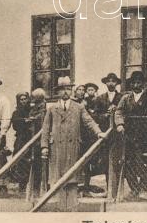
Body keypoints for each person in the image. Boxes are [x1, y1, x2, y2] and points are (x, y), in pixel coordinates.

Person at [41, 76, 103, 209]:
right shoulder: (52, 108)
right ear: (57, 92)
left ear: (71, 91)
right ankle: (59, 205)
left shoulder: (78, 107)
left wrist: (98, 132)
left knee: (72, 176)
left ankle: (72, 206)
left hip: (72, 146)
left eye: (68, 89)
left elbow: (89, 121)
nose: (65, 92)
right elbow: (45, 128)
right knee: (58, 177)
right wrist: (44, 146)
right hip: (57, 147)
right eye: (62, 89)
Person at [113, 71, 147, 200]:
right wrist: (120, 124)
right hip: (130, 135)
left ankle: (143, 189)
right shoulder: (126, 98)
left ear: (143, 84)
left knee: (145, 162)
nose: (136, 85)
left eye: (138, 82)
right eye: (134, 83)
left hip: (145, 135)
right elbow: (119, 112)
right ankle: (134, 189)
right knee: (128, 162)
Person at [11, 92, 33, 193]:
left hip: (31, 137)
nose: (23, 101)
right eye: (21, 99)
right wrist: (24, 121)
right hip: (21, 138)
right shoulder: (16, 113)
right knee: (20, 160)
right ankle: (22, 185)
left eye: (25, 99)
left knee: (30, 160)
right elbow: (15, 125)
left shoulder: (32, 111)